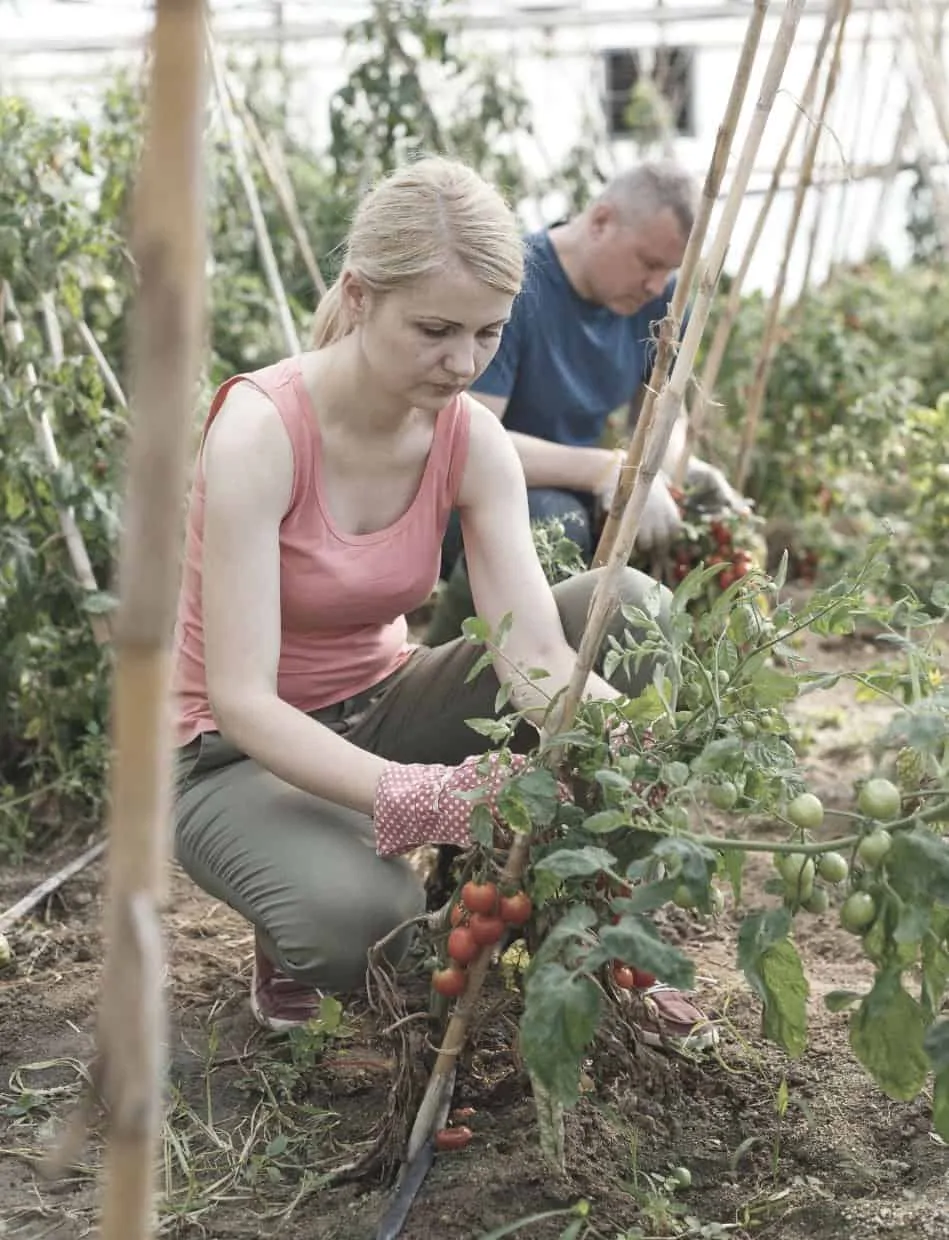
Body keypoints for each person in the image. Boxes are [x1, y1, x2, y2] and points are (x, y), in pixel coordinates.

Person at [171, 156, 715, 1051]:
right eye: (433, 330)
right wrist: (421, 796)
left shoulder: (472, 441)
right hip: (234, 756)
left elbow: (535, 653)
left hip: (382, 703)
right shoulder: (260, 434)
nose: (461, 362)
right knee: (364, 924)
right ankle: (298, 906)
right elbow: (242, 699)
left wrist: (625, 739)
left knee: (629, 611)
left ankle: (604, 946)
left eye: (488, 333)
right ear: (358, 296)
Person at [426, 159, 749, 646]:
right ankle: (449, 661)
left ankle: (681, 672)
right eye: (649, 262)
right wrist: (603, 470)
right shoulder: (516, 286)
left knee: (708, 515)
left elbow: (662, 408)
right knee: (553, 524)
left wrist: (676, 463)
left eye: (671, 271)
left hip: (579, 485)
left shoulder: (658, 303)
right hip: (472, 499)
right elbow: (468, 442)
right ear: (600, 221)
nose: (657, 285)